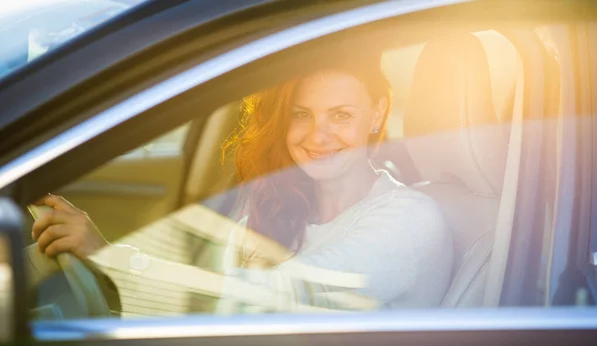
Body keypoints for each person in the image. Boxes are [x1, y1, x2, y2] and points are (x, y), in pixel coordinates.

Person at [31, 51, 453, 312]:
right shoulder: (281, 203)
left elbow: (259, 300)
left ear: (377, 114)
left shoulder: (409, 221)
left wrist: (111, 257)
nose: (317, 137)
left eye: (341, 115)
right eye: (301, 114)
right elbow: (218, 293)